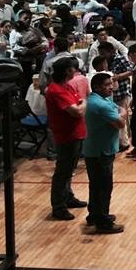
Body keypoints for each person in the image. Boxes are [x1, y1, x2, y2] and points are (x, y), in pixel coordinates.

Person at [84, 72, 128, 233]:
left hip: (96, 150)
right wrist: (122, 114)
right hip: (100, 152)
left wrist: (120, 113)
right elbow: (120, 123)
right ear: (96, 87)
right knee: (103, 187)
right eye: (107, 85)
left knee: (96, 186)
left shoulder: (101, 99)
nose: (111, 87)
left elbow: (119, 111)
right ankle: (103, 223)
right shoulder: (100, 105)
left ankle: (94, 215)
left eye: (111, 84)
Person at [45, 57, 88, 220]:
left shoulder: (67, 86)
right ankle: (58, 207)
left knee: (69, 170)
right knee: (62, 172)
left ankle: (67, 197)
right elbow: (77, 111)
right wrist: (84, 103)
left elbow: (78, 104)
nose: (75, 71)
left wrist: (81, 104)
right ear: (66, 71)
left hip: (76, 133)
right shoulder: (56, 90)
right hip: (67, 135)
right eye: (72, 69)